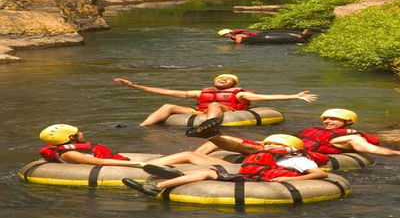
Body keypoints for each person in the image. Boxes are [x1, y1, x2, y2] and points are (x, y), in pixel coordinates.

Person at [122, 134, 327, 197]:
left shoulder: (298, 159)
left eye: (275, 145)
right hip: (248, 177)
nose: (270, 146)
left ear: (290, 148)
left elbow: (317, 174)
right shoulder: (262, 154)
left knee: (210, 171)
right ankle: (154, 187)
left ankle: (166, 178)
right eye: (269, 144)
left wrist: (290, 178)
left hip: (268, 182)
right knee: (208, 172)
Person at [192, 108, 400, 159]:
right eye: (325, 118)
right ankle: (206, 142)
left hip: (301, 154)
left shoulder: (351, 136)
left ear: (346, 122)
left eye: (332, 119)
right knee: (224, 143)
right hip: (292, 145)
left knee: (252, 147)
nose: (327, 121)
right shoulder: (315, 130)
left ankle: (211, 134)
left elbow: (373, 149)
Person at [113, 74, 317, 126]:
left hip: (227, 112)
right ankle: (142, 126)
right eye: (220, 78)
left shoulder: (239, 94)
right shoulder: (200, 91)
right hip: (201, 113)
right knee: (168, 105)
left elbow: (266, 97)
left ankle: (209, 125)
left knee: (213, 104)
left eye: (227, 79)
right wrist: (134, 86)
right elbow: (167, 92)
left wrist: (295, 96)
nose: (222, 79)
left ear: (233, 83)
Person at [38, 124, 229, 167]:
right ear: (71, 138)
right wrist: (136, 165)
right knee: (188, 155)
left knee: (198, 151)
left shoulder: (62, 149)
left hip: (125, 163)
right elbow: (100, 163)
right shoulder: (69, 154)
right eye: (78, 131)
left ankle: (230, 167)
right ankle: (234, 170)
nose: (82, 132)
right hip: (129, 169)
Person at [218, 28, 312, 44]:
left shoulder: (237, 36)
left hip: (258, 39)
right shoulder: (236, 35)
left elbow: (239, 44)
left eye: (226, 34)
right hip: (259, 36)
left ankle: (300, 36)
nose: (226, 36)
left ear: (230, 33)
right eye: (224, 35)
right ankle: (300, 35)